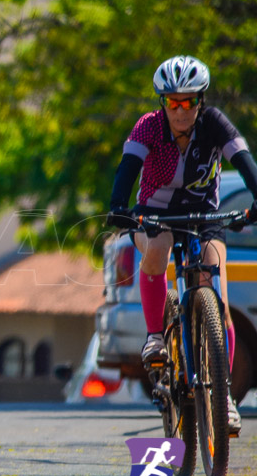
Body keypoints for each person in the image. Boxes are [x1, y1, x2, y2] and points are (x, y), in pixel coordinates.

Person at [107, 55, 257, 435]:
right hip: (154, 215)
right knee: (157, 250)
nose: (180, 110)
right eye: (172, 102)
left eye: (188, 101)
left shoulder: (214, 123)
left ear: (200, 101)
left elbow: (244, 160)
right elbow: (127, 168)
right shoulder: (148, 127)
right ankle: (156, 337)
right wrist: (118, 208)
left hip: (204, 218)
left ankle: (223, 397)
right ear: (163, 103)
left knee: (217, 295)